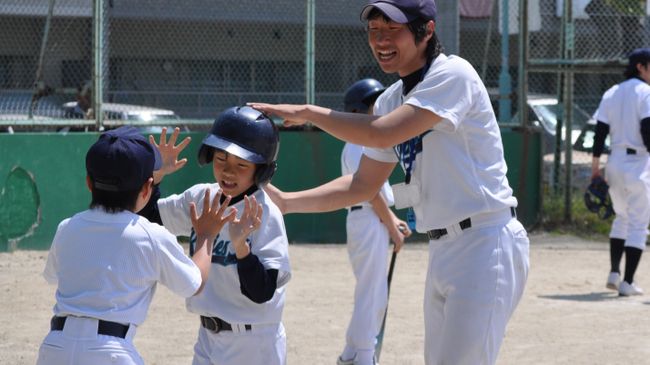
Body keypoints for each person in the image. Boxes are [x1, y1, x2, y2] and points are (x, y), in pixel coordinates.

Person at [249, 1, 530, 364]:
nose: (380, 39)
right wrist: (286, 202)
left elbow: (383, 134)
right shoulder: (390, 100)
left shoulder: (452, 74)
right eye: (373, 30)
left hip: (486, 243)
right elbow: (361, 186)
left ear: (426, 30)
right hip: (444, 249)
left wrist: (307, 113)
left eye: (392, 29)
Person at [37, 126, 233, 365]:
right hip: (110, 352)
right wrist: (205, 235)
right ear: (147, 188)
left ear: (89, 183)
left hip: (55, 347)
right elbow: (194, 284)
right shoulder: (150, 235)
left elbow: (52, 276)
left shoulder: (67, 227)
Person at [141, 106, 291, 365]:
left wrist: (240, 246)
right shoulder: (201, 197)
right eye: (221, 159)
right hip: (208, 338)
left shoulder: (265, 213)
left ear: (262, 170)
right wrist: (157, 175)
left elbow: (262, 291)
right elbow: (150, 216)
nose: (228, 171)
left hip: (253, 343)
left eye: (241, 164)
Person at [337, 78, 412, 365]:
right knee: (373, 293)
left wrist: (391, 219)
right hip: (367, 217)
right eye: (373, 105)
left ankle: (353, 352)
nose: (380, 110)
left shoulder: (360, 142)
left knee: (371, 291)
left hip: (368, 218)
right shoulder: (359, 142)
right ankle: (365, 355)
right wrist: (392, 226)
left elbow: (376, 195)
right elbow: (370, 194)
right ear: (357, 112)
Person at [591, 47, 650, 297]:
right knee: (638, 224)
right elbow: (648, 130)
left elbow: (600, 132)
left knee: (621, 217)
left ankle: (614, 272)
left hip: (613, 161)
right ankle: (627, 282)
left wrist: (596, 168)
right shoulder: (646, 92)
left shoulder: (612, 92)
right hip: (638, 162)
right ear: (640, 66)